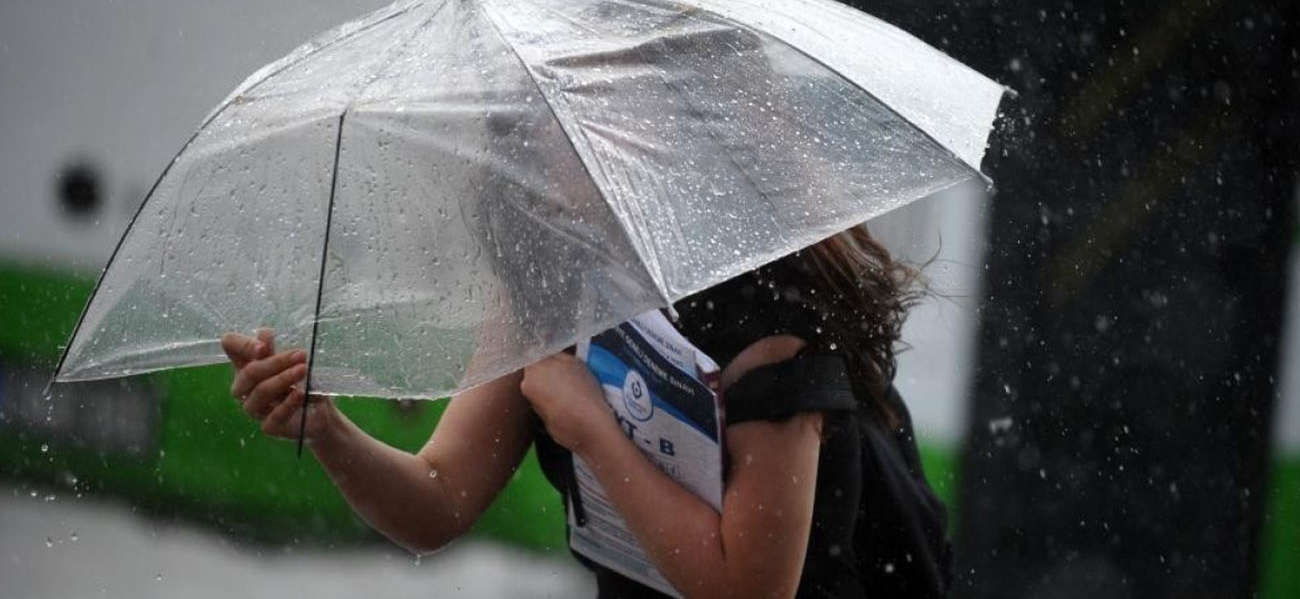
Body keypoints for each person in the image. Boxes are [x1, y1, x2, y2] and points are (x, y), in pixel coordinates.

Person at [222, 224, 952, 598]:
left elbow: (749, 590)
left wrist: (594, 433)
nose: (536, 155)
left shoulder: (765, 311)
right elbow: (437, 498)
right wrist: (326, 428)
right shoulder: (549, 279)